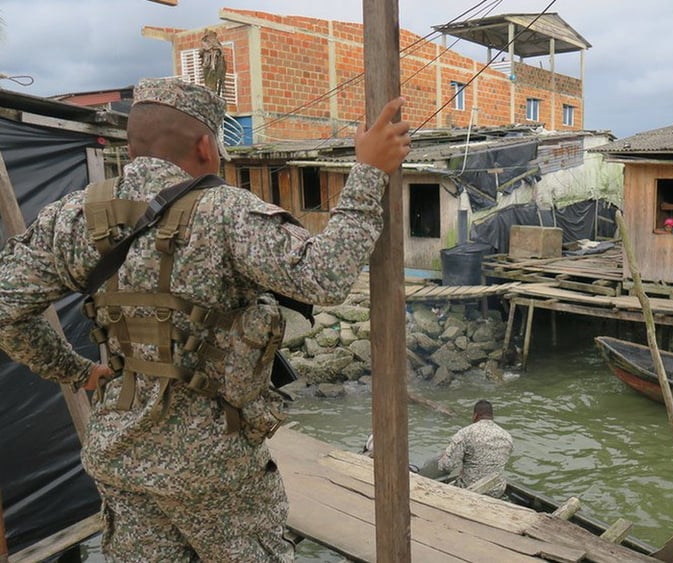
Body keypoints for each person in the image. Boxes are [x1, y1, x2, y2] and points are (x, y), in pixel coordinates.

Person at [0, 78, 410, 562]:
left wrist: (74, 370)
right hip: (215, 469)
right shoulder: (224, 212)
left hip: (121, 458)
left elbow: (7, 310)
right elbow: (322, 277)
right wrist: (368, 174)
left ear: (132, 146)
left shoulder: (72, 217)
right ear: (205, 146)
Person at [438, 399, 513, 498]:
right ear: (491, 417)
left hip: (471, 490)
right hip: (497, 490)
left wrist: (444, 457)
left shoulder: (465, 433)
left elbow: (447, 466)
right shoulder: (507, 436)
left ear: (475, 415)